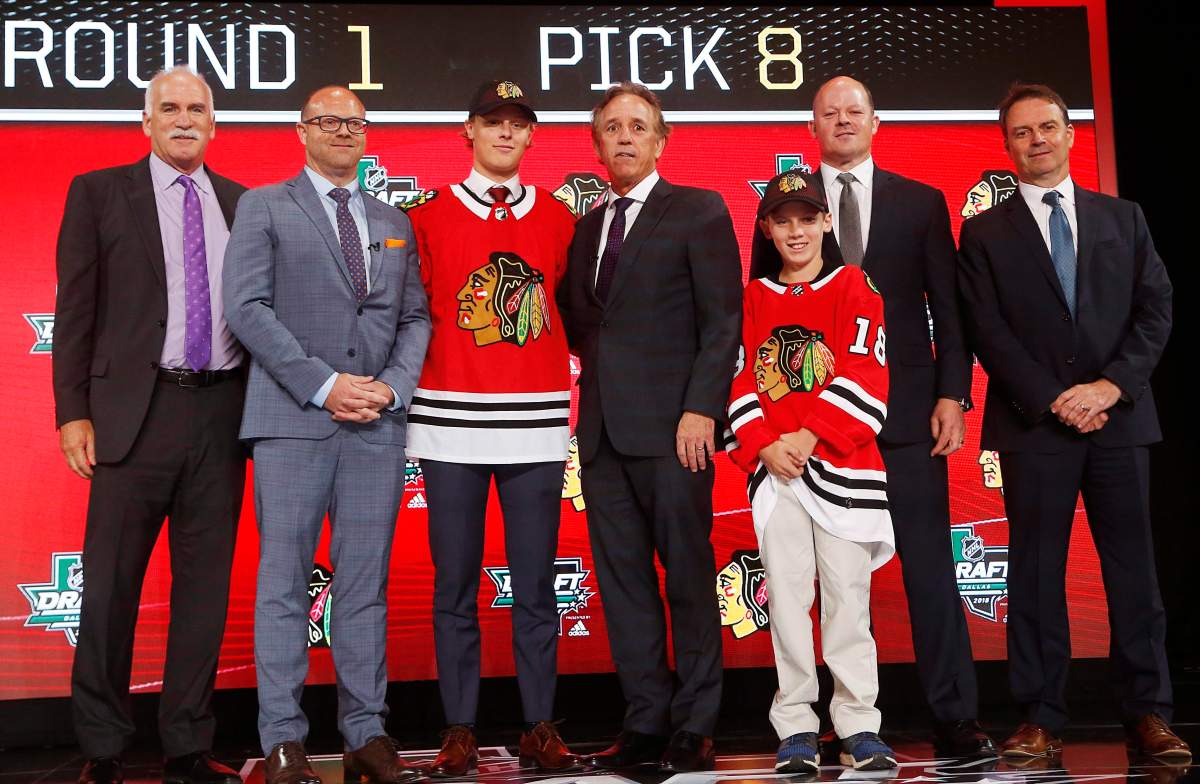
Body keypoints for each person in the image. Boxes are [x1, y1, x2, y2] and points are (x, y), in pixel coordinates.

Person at [958, 83, 1188, 761]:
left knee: (1134, 574)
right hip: (1034, 425)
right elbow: (986, 329)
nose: (1037, 140)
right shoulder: (984, 232)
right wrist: (1056, 397)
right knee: (1034, 574)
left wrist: (1109, 387)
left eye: (1048, 127)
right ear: (1006, 144)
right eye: (1022, 131)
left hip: (1120, 420)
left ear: (1070, 134)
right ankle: (1040, 718)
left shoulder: (1124, 218)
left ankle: (1148, 714)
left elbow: (1156, 309)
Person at [223, 86, 431, 784]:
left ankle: (366, 735)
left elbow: (414, 318)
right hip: (293, 419)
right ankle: (283, 740)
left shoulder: (393, 220)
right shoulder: (264, 206)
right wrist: (323, 384)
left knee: (365, 586)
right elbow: (246, 308)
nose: (344, 131)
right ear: (302, 131)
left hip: (376, 425)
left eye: (355, 122)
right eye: (329, 121)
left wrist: (392, 388)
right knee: (283, 584)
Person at [52, 66, 246, 784]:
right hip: (133, 414)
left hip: (222, 414)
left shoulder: (243, 203)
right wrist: (72, 411)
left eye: (197, 108)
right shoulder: (99, 192)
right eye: (170, 108)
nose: (184, 119)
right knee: (109, 589)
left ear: (214, 123)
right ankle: (102, 747)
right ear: (146, 121)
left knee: (204, 592)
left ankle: (187, 744)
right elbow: (75, 311)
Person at [557, 82, 742, 772]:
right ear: (597, 145)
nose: (625, 137)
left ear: (661, 141)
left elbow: (723, 320)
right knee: (624, 584)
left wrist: (702, 409)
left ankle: (695, 724)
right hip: (603, 434)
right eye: (612, 128)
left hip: (676, 432)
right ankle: (644, 722)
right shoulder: (586, 229)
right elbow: (584, 325)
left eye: (638, 126)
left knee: (688, 577)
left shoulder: (698, 209)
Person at [809, 75, 991, 755]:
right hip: (826, 422)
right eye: (830, 113)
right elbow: (771, 313)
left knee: (929, 569)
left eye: (854, 111)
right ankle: (849, 718)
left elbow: (948, 307)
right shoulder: (790, 204)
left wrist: (953, 393)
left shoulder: (920, 202)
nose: (843, 121)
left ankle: (956, 716)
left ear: (875, 122)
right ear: (813, 128)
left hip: (910, 415)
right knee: (838, 581)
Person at [401, 79, 578, 775]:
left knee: (535, 585)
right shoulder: (428, 215)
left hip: (535, 423)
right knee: (454, 586)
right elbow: (409, 314)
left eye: (517, 122)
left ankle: (539, 725)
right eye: (492, 120)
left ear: (531, 135)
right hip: (449, 422)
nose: (505, 132)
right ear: (468, 131)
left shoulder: (559, 218)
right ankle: (459, 729)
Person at [726, 169, 896, 773]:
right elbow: (739, 379)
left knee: (847, 601)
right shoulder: (752, 297)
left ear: (827, 221)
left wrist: (807, 435)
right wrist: (764, 445)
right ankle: (796, 723)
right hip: (777, 474)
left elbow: (866, 371)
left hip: (842, 467)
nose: (795, 231)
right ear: (767, 230)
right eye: (783, 221)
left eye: (806, 218)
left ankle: (858, 722)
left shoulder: (854, 285)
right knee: (787, 602)